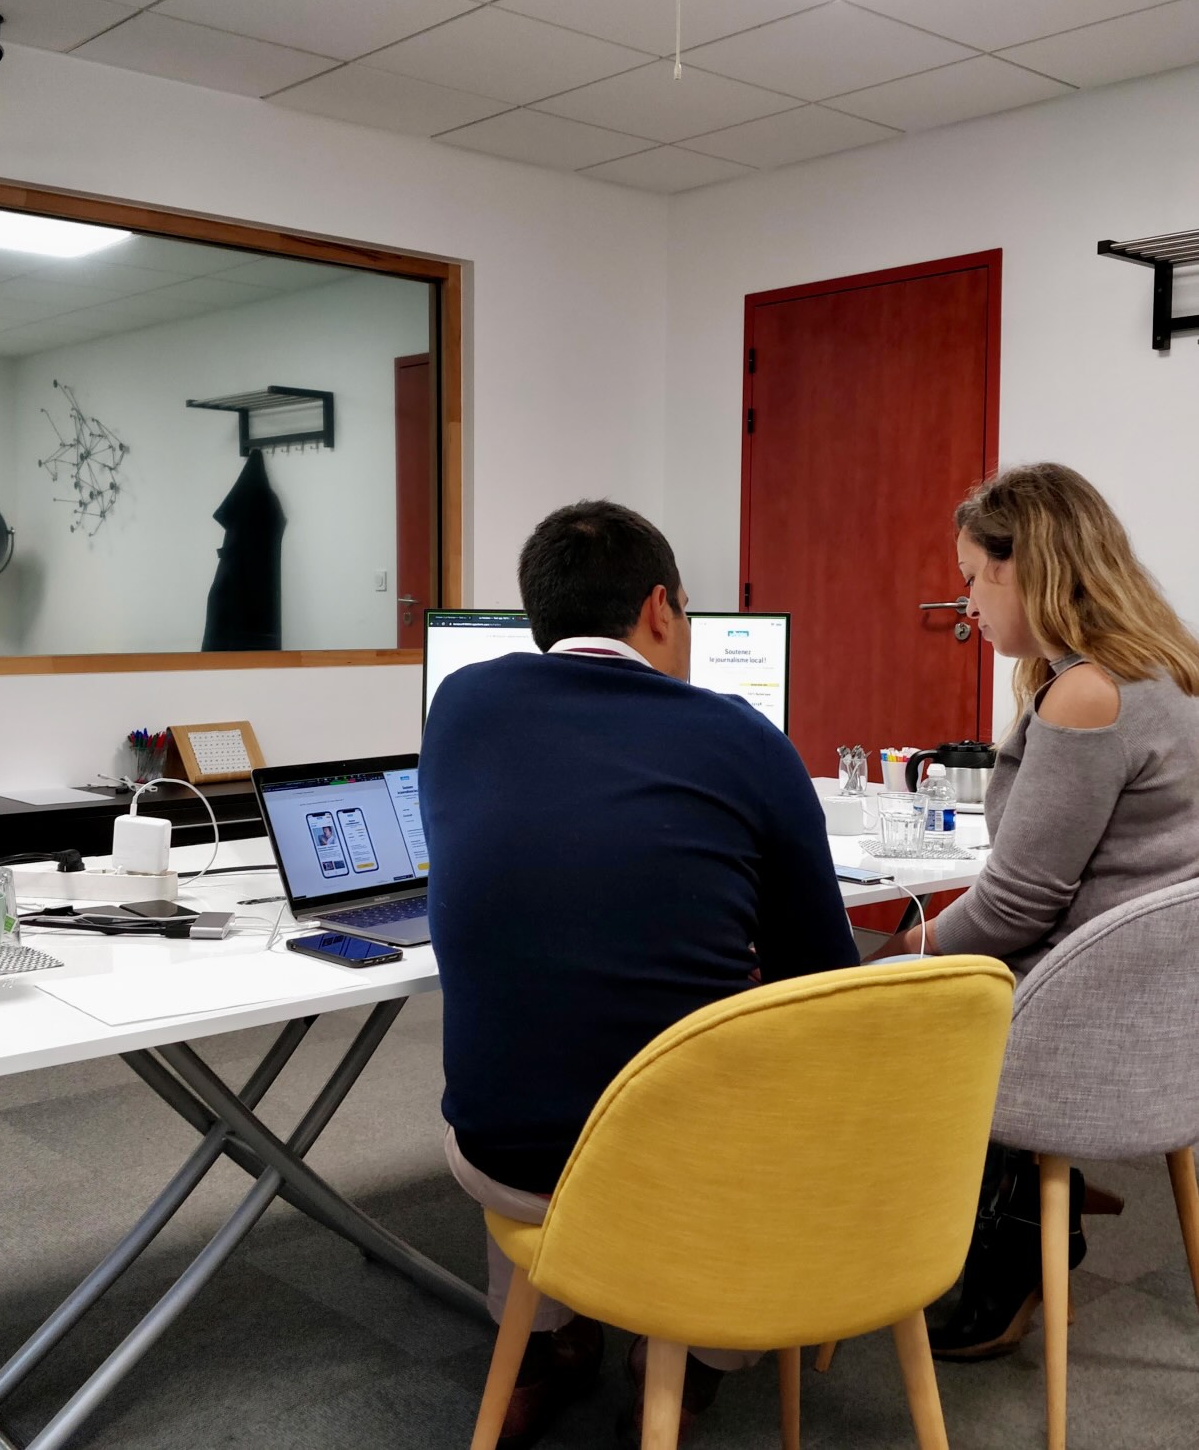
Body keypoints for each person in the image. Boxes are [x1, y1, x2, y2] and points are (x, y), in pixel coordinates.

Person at [421, 500, 859, 1448]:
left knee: (543, 1049)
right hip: (681, 1174)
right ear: (660, 609)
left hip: (501, 1158)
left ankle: (540, 1348)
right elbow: (820, 978)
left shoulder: (459, 708)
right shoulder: (744, 738)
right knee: (758, 1081)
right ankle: (698, 1364)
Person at [871, 463, 1199, 1362]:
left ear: (1035, 569)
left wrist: (896, 951)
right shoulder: (1170, 668)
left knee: (860, 992)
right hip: (1148, 1012)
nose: (966, 602)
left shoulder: (1089, 694)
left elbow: (1017, 905)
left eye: (976, 576)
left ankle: (994, 1221)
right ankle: (1030, 1180)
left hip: (1073, 1019)